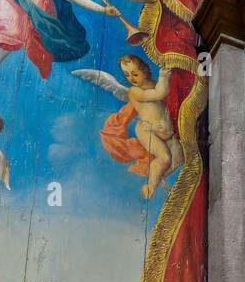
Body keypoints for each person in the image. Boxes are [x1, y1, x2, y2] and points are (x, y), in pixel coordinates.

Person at [75, 55, 183, 197]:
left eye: (135, 74)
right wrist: (164, 76)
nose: (131, 78)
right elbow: (160, 93)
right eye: (127, 75)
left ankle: (159, 176)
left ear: (145, 71)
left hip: (166, 133)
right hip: (147, 130)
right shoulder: (134, 91)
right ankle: (149, 187)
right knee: (164, 158)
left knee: (179, 156)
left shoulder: (153, 84)